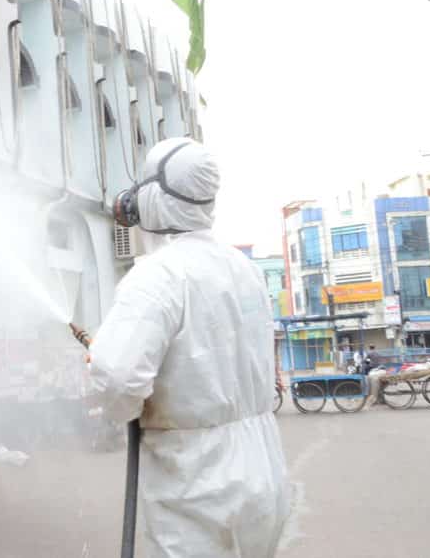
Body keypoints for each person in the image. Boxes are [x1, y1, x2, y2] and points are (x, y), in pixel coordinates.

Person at [87, 139, 290, 557]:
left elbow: (117, 377)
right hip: (263, 465)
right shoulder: (244, 269)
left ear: (153, 196)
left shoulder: (158, 275)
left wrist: (117, 403)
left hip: (196, 478)